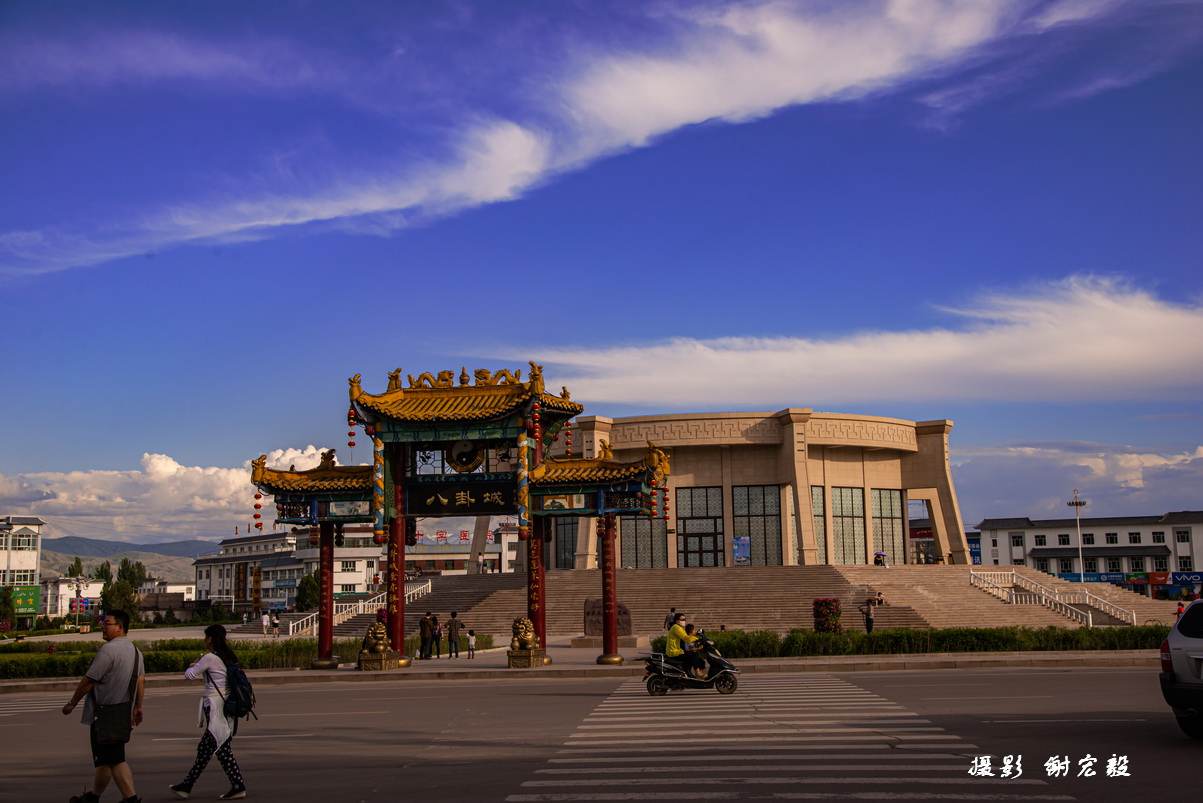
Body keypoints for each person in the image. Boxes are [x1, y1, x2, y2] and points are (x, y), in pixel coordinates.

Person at [61, 609, 145, 803]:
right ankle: (93, 796)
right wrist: (138, 707)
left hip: (105, 715)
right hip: (122, 712)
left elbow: (89, 681)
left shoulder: (108, 650)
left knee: (115, 760)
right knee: (105, 760)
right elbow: (140, 681)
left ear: (120, 627)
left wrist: (72, 703)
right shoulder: (136, 652)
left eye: (107, 623)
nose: (103, 627)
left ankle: (131, 799)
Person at [171, 624, 247, 800]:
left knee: (219, 748)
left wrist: (193, 666)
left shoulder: (210, 658)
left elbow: (189, 675)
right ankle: (187, 785)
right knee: (210, 748)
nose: (204, 640)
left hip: (215, 708)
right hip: (226, 706)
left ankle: (237, 786)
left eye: (206, 637)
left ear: (211, 639)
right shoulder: (228, 656)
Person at [664, 612, 705, 679]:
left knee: (694, 655)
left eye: (685, 619)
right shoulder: (676, 628)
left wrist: (696, 636)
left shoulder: (678, 628)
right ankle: (697, 672)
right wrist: (698, 639)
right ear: (677, 620)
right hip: (674, 652)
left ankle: (687, 672)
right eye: (682, 619)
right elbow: (686, 638)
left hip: (678, 651)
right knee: (694, 654)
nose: (684, 621)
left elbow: (687, 636)